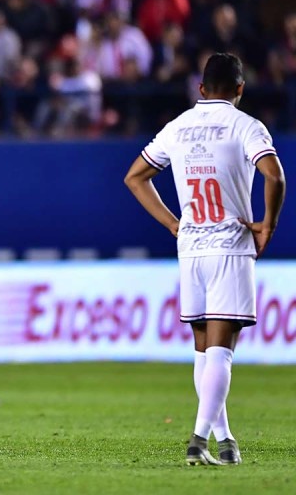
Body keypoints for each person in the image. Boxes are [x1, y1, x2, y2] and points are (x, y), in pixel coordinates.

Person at [124, 53, 286, 466]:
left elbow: (135, 177)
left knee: (202, 348)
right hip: (229, 246)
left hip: (191, 246)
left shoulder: (178, 127)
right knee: (222, 350)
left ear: (200, 89)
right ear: (239, 89)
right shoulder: (246, 126)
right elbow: (275, 175)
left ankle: (226, 441)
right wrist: (267, 223)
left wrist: (173, 224)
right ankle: (198, 440)